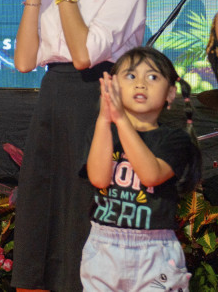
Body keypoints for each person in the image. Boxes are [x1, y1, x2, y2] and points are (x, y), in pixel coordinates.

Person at [11, 0, 152, 292]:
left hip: (96, 99)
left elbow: (87, 54)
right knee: (39, 207)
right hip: (53, 96)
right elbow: (24, 60)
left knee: (79, 216)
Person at [81, 47, 199, 291]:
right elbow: (99, 179)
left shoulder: (175, 139)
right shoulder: (103, 133)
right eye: (131, 76)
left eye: (153, 77)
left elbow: (151, 175)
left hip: (157, 255)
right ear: (113, 86)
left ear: (170, 94)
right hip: (103, 250)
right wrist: (105, 119)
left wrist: (121, 119)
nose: (141, 84)